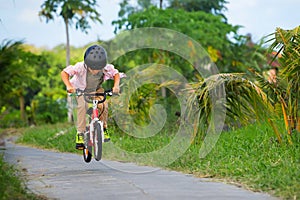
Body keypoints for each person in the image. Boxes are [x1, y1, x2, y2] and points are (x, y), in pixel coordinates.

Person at [61, 45, 125, 149]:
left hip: (96, 90)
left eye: (98, 69)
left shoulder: (105, 68)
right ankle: (80, 133)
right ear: (87, 64)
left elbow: (116, 73)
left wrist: (116, 86)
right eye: (93, 68)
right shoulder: (80, 67)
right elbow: (64, 73)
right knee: (82, 106)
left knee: (103, 105)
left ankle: (103, 128)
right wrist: (69, 86)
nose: (95, 71)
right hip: (81, 90)